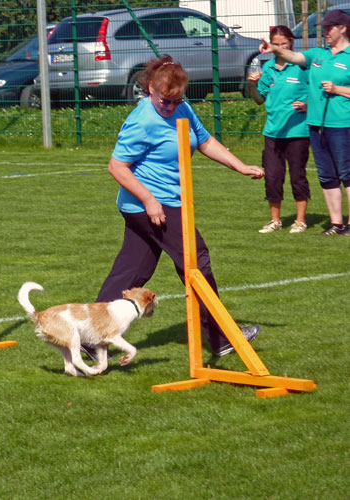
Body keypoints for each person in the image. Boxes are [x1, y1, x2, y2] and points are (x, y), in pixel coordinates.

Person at [95, 55, 264, 357]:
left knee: (132, 271)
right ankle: (221, 336)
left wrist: (239, 166)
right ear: (150, 89)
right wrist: (150, 201)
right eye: (165, 102)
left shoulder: (183, 108)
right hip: (152, 205)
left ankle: (91, 336)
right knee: (196, 261)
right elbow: (117, 167)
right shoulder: (142, 121)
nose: (171, 107)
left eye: (176, 101)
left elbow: (204, 141)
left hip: (158, 203)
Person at [260, 9, 350, 235]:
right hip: (316, 125)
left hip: (342, 124)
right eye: (324, 28)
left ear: (343, 28)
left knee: (347, 174)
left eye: (329, 28)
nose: (325, 31)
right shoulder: (318, 54)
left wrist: (338, 89)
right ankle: (336, 224)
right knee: (327, 176)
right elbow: (294, 57)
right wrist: (275, 49)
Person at [247, 25, 310, 234]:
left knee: (297, 175)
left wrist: (309, 105)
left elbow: (319, 91)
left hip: (298, 131)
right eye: (277, 44)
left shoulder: (302, 66)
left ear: (291, 42)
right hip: (273, 132)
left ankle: (300, 221)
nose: (281, 47)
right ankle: (275, 220)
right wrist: (252, 85)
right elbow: (259, 100)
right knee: (273, 176)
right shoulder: (268, 68)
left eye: (284, 43)